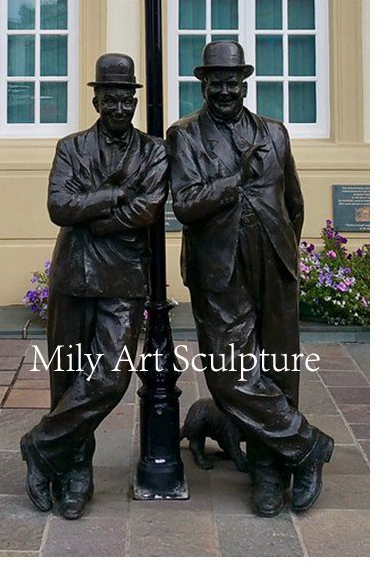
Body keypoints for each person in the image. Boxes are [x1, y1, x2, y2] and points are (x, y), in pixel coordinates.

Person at [167, 40, 334, 516]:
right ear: (203, 83)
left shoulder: (276, 133)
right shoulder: (185, 136)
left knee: (280, 370)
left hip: (275, 263)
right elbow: (186, 204)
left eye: (233, 82)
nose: (225, 91)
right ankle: (308, 446)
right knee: (229, 374)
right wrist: (233, 181)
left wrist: (280, 246)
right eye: (216, 82)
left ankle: (269, 470)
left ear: (245, 83)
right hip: (220, 269)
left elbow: (294, 203)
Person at [20, 54, 167, 520]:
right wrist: (115, 195)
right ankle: (75, 473)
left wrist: (98, 218)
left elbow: (150, 207)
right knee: (68, 379)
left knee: (109, 377)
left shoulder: (153, 151)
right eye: (112, 98)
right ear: (96, 99)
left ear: (135, 100)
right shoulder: (71, 147)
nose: (120, 106)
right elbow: (59, 206)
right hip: (74, 277)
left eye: (128, 98)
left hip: (123, 279)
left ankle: (40, 445)